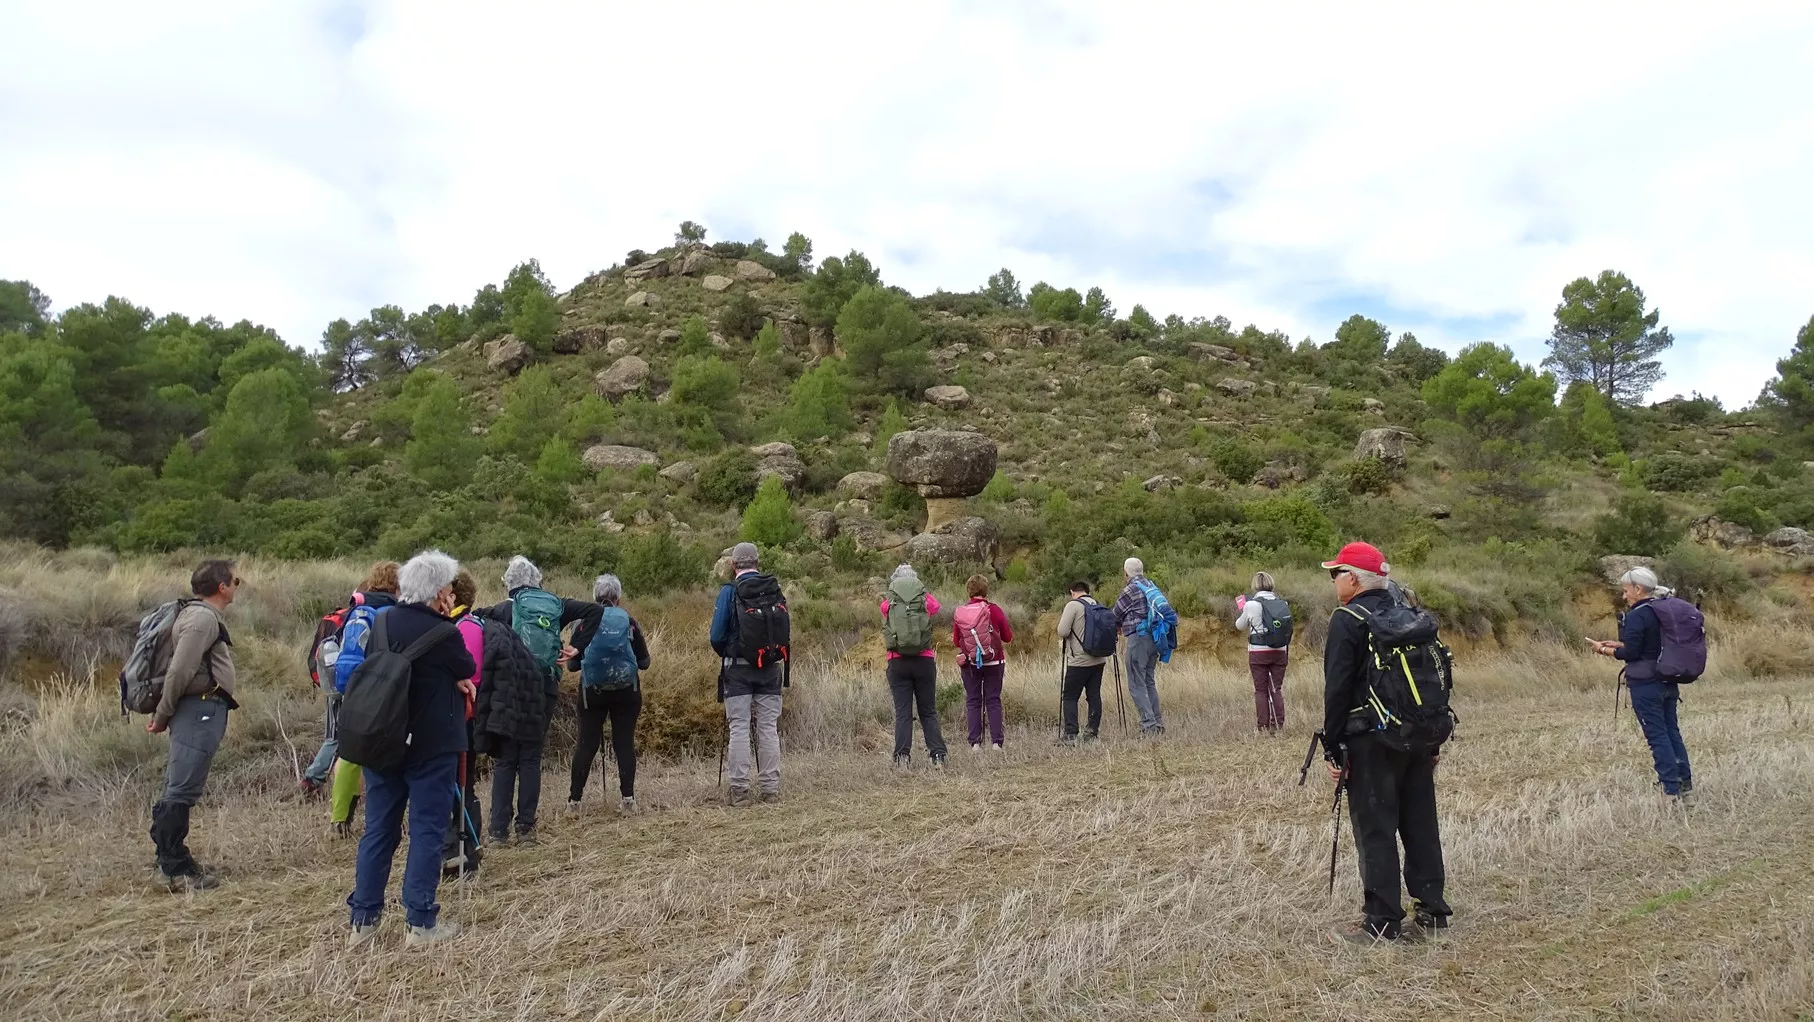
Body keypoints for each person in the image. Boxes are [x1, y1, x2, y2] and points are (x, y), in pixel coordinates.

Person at [1320, 541, 1450, 944]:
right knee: (1420, 824)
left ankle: (1382, 922)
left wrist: (1333, 744)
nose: (1334, 579)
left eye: (1336, 572)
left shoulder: (1347, 619)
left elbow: (1337, 689)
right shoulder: (1409, 615)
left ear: (1354, 579)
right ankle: (1432, 910)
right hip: (1417, 735)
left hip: (1370, 740)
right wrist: (1432, 744)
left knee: (1376, 828)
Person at [347, 550, 477, 947]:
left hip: (383, 741)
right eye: (449, 588)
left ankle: (363, 922)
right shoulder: (446, 632)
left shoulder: (383, 622)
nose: (452, 594)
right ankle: (420, 923)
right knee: (426, 831)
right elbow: (466, 669)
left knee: (379, 831)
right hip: (431, 747)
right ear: (439, 591)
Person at [474, 555, 600, 844]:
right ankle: (526, 829)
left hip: (512, 688)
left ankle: (497, 831)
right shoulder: (556, 604)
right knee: (530, 756)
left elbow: (472, 618)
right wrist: (575, 648)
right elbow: (594, 611)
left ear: (510, 583)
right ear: (537, 580)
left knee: (506, 758)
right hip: (544, 687)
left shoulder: (506, 609)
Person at [147, 560, 240, 892]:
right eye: (235, 580)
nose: (236, 586)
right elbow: (179, 671)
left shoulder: (198, 615)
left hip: (201, 710)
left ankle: (170, 858)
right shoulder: (201, 619)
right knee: (181, 789)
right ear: (222, 586)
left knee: (180, 785)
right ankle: (174, 870)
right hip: (198, 711)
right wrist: (162, 714)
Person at [1590, 567, 1694, 804]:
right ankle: (1684, 784)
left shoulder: (1637, 615)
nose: (1624, 596)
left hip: (1646, 684)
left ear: (1638, 589)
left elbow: (1633, 652)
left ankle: (1670, 791)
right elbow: (1649, 645)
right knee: (1671, 732)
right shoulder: (1661, 611)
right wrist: (1619, 644)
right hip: (1668, 680)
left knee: (1657, 736)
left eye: (1626, 591)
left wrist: (1604, 650)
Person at [325, 565, 402, 836]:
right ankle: (387, 819)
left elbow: (347, 658)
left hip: (356, 691)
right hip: (388, 693)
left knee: (350, 754)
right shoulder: (396, 613)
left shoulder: (358, 611)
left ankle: (340, 819)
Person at [709, 542, 788, 805]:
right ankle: (770, 790)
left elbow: (717, 636)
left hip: (738, 670)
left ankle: (740, 792)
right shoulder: (773, 589)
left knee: (740, 729)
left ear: (733, 566)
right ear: (758, 562)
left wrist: (731, 653)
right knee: (767, 729)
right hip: (770, 667)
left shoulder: (729, 593)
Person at [568, 573, 651, 812]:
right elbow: (644, 663)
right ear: (618, 598)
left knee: (586, 744)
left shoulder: (583, 622)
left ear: (595, 597)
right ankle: (628, 801)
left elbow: (573, 665)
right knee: (624, 743)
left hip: (591, 692)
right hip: (627, 691)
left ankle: (574, 802)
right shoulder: (630, 621)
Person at [881, 563, 948, 768]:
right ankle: (937, 756)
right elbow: (936, 608)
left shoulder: (888, 601)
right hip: (924, 659)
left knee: (903, 713)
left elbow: (885, 615)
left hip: (897, 660)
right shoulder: (924, 598)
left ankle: (902, 757)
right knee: (928, 711)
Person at [1112, 557, 1178, 736]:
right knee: (1149, 680)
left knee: (1136, 682)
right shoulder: (1150, 586)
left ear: (1126, 573)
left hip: (1138, 640)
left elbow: (1115, 614)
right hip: (1154, 640)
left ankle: (1148, 726)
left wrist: (1117, 626)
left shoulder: (1130, 590)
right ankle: (1157, 722)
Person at [954, 574, 1013, 751]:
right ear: (986, 590)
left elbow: (957, 641)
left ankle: (975, 744)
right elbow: (1008, 637)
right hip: (994, 661)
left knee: (973, 701)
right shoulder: (995, 610)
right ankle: (996, 743)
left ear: (969, 591)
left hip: (971, 663)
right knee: (993, 700)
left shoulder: (961, 612)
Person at [1235, 571, 1291, 732]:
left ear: (1255, 586)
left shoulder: (1251, 605)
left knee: (1260, 690)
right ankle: (1278, 724)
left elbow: (1240, 625)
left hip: (1258, 651)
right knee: (1276, 688)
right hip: (1280, 650)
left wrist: (1243, 611)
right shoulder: (1283, 604)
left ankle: (1263, 726)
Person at [1056, 581, 1109, 743]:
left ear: (1072, 591)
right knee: (1094, 695)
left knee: (1070, 696)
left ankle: (1071, 734)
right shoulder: (1097, 604)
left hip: (1079, 661)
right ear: (1087, 590)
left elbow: (1062, 631)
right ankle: (1092, 732)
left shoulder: (1073, 606)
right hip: (1099, 659)